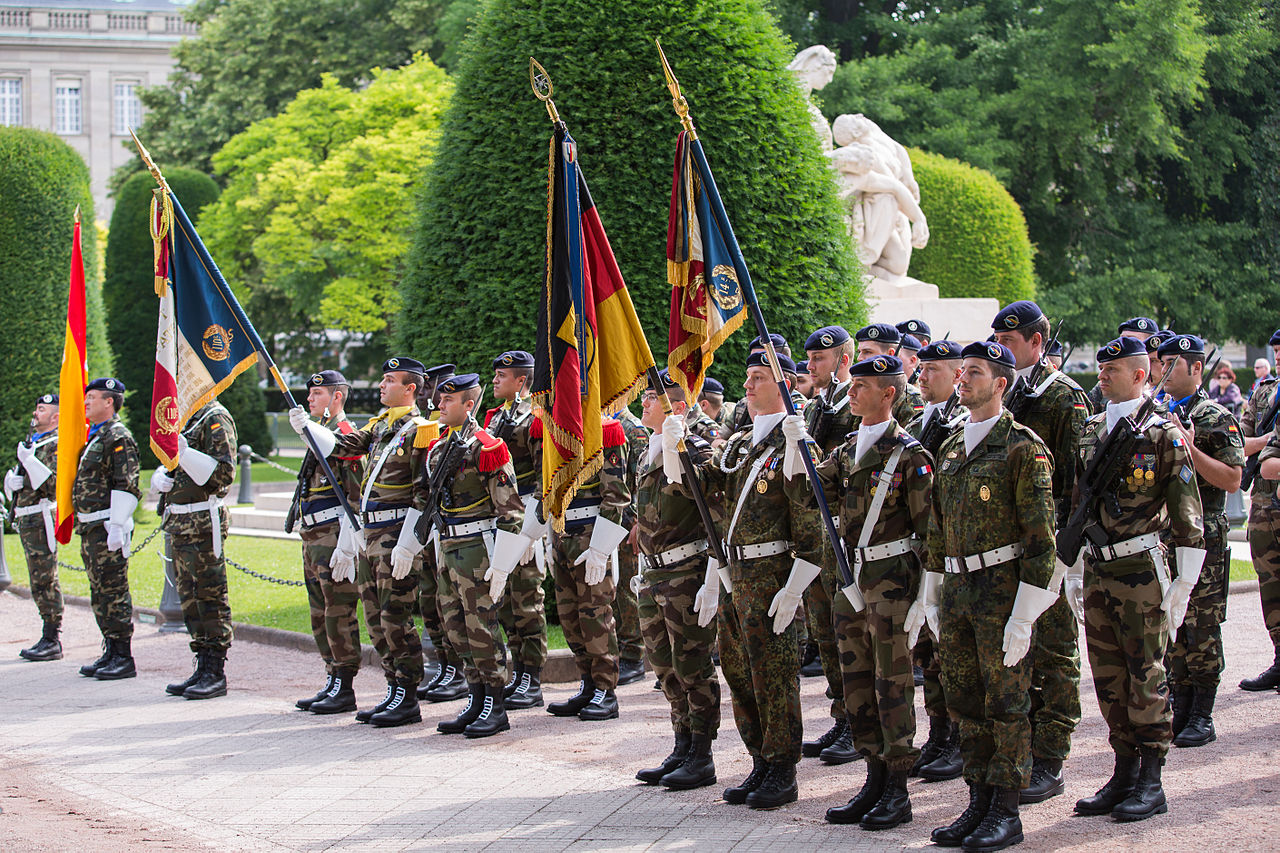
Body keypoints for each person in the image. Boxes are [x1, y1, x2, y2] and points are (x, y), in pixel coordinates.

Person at [921, 342, 1058, 851]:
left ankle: (1006, 809)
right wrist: (930, 593)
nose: (963, 379)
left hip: (1001, 592)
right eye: (961, 372)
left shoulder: (1023, 447)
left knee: (1006, 702)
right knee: (965, 700)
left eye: (974, 372)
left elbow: (1041, 539)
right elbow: (937, 529)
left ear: (1000, 383)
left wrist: (1025, 613)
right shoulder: (951, 445)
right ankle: (977, 800)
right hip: (957, 590)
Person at [1072, 336, 1204, 823]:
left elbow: (1190, 518)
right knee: (1108, 679)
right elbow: (1074, 504)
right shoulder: (1090, 430)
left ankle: (1152, 779)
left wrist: (1183, 586)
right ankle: (1123, 771)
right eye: (1102, 369)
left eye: (1114, 370)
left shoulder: (1162, 435)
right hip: (1098, 568)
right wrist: (1070, 571)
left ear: (1141, 375)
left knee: (1145, 676)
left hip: (1141, 571)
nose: (1103, 376)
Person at [694, 351, 822, 810]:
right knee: (739, 672)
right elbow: (707, 492)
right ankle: (760, 762)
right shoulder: (741, 443)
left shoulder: (798, 445)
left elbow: (812, 526)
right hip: (735, 574)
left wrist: (794, 589)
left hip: (772, 577)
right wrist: (674, 442)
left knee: (774, 677)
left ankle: (783, 769)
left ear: (786, 384)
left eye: (758, 377)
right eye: (747, 377)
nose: (747, 386)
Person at [812, 354, 932, 830]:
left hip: (892, 586)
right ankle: (873, 776)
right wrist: (796, 447)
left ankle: (898, 788)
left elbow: (929, 531)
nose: (853, 393)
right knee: (856, 683)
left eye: (863, 386)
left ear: (889, 394)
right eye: (853, 384)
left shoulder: (910, 455)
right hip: (852, 583)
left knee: (891, 686)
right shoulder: (846, 451)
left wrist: (927, 596)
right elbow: (808, 491)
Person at [289, 357, 438, 727]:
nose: (382, 385)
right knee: (376, 618)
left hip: (395, 535)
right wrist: (308, 428)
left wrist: (409, 543)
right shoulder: (379, 427)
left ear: (411, 389)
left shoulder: (421, 430)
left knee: (395, 616)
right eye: (384, 378)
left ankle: (407, 692)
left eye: (390, 380)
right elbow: (341, 447)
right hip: (371, 535)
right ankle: (393, 689)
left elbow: (424, 494)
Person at [992, 300, 1091, 805]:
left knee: (1053, 651)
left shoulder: (1063, 398)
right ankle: (1021, 751)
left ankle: (1051, 756)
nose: (1001, 350)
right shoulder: (1000, 390)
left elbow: (1078, 483)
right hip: (1004, 544)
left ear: (1037, 342)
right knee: (1015, 654)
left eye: (1010, 342)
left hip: (1046, 543)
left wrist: (1065, 552)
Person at [401, 373, 526, 738]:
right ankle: (476, 696)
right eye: (440, 399)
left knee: (482, 628)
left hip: (477, 550)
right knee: (456, 629)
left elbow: (511, 511)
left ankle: (495, 705)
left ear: (469, 404)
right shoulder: (439, 447)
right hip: (448, 548)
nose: (439, 404)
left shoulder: (487, 447)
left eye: (448, 400)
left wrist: (502, 566)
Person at [634, 369, 722, 790]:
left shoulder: (697, 452)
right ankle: (682, 742)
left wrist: (711, 580)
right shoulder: (645, 452)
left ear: (679, 408)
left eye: (653, 398)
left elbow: (713, 518)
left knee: (692, 665)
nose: (644, 403)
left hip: (686, 572)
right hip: (653, 575)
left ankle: (702, 753)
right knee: (665, 666)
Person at [1157, 335, 1244, 747]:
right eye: (1161, 362)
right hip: (1164, 536)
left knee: (1201, 624)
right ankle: (1181, 704)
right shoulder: (1153, 415)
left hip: (1204, 535)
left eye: (1174, 363)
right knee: (1171, 622)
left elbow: (1231, 479)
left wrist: (1188, 445)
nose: (1164, 370)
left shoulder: (1215, 417)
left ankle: (1203, 714)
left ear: (1196, 369)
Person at [538, 411, 632, 722]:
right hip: (563, 536)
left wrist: (601, 547)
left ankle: (606, 690)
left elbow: (616, 495)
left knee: (595, 616)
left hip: (590, 535)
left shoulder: (606, 431)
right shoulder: (557, 430)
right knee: (570, 617)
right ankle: (589, 683)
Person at [904, 341, 968, 782]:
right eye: (921, 368)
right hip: (917, 549)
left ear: (957, 375)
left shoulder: (963, 423)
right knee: (927, 650)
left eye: (933, 369)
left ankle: (959, 740)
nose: (922, 376)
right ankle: (939, 733)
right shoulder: (914, 422)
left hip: (946, 549)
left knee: (950, 650)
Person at [799, 325, 860, 765]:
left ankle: (860, 723)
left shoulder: (855, 403)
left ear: (842, 358)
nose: (810, 367)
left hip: (847, 529)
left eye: (818, 359)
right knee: (825, 632)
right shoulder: (816, 405)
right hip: (817, 531)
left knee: (848, 633)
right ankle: (842, 716)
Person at [289, 371, 365, 714]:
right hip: (313, 535)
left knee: (338, 611)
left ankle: (345, 684)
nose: (310, 399)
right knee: (319, 612)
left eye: (317, 393)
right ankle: (332, 677)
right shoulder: (320, 436)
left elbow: (356, 493)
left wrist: (348, 542)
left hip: (334, 534)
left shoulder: (345, 437)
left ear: (337, 397)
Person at [153, 396, 238, 700]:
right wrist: (164, 477)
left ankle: (215, 671)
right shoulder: (187, 417)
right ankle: (201, 665)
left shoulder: (215, 417)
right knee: (189, 600)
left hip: (202, 523)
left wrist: (187, 455)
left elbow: (224, 475)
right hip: (180, 524)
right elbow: (180, 470)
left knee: (210, 596)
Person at [486, 350, 548, 709]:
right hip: (501, 518)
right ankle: (518, 672)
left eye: (503, 375)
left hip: (524, 516)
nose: (495, 380)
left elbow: (543, 476)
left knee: (527, 600)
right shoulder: (495, 418)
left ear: (522, 381)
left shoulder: (535, 419)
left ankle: (532, 677)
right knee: (506, 601)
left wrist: (532, 528)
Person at [73, 377, 142, 681]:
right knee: (99, 591)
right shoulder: (94, 435)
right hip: (91, 527)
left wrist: (117, 524)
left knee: (113, 591)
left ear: (109, 402)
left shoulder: (118, 436)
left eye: (92, 398)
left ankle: (123, 656)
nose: (86, 402)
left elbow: (126, 482)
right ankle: (110, 650)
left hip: (106, 524)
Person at [415, 362, 469, 704]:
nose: (428, 397)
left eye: (431, 389)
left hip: (455, 531)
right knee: (432, 601)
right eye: (425, 390)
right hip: (431, 528)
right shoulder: (426, 430)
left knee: (455, 604)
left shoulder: (448, 432)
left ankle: (457, 669)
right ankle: (444, 664)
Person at [1238, 328, 1280, 691]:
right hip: (1265, 503)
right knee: (1270, 584)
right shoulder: (1264, 392)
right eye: (1276, 350)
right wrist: (1267, 441)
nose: (1279, 355)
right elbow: (1240, 445)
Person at [10, 393, 62, 661]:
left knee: (45, 577)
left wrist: (29, 462)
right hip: (28, 516)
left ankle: (52, 637)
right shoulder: (34, 442)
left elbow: (54, 485)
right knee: (36, 578)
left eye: (41, 409)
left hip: (42, 517)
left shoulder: (55, 444)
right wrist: (12, 484)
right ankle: (47, 633)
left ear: (55, 417)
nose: (35, 413)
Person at [613, 403, 650, 687]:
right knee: (609, 591)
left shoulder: (632, 429)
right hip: (606, 520)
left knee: (626, 590)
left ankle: (633, 656)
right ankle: (617, 650)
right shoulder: (597, 424)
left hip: (626, 523)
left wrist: (638, 521)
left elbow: (643, 477)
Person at [854, 324, 924, 426]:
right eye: (859, 352)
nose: (859, 358)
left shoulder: (909, 398)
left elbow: (911, 439)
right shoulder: (857, 391)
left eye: (867, 352)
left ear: (890, 354)